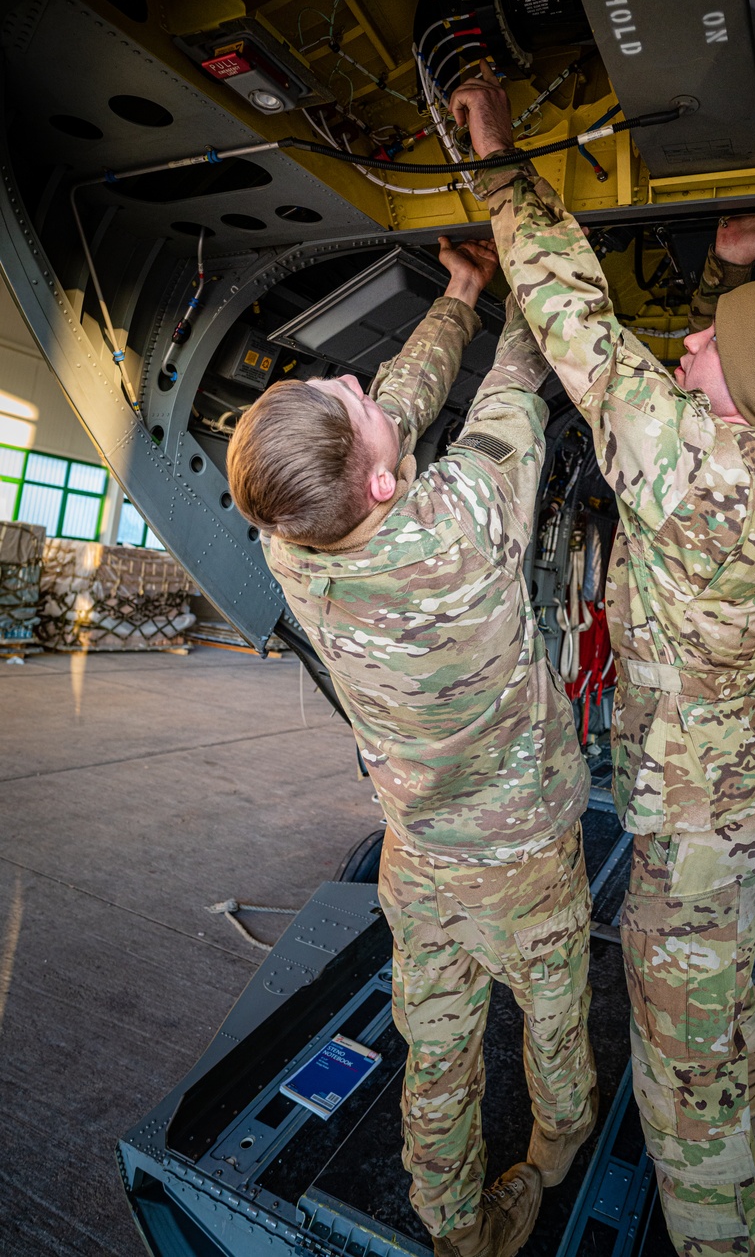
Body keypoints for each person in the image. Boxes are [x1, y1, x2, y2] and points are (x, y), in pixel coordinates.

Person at [448, 63, 755, 1257]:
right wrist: (733, 280)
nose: (688, 338)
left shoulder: (695, 472)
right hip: (743, 765)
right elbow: (710, 377)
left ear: (739, 401)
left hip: (691, 800)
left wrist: (495, 159)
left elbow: (580, 323)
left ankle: (724, 1217)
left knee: (678, 1076)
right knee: (720, 952)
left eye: (711, 341)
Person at [227, 239, 598, 1257]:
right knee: (555, 1017)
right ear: (386, 480)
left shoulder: (290, 538)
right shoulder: (464, 523)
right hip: (523, 854)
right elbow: (515, 382)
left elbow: (391, 410)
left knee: (437, 1047)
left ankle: (455, 1226)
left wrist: (462, 289)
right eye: (346, 395)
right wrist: (522, 276)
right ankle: (559, 1147)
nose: (354, 379)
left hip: (421, 854)